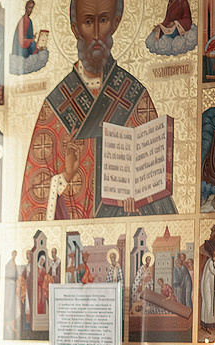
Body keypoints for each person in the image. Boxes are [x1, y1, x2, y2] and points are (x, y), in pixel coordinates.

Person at [19, 0, 177, 221]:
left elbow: (159, 198)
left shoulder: (135, 95)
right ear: (75, 28)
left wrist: (139, 203)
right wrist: (65, 177)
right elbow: (33, 202)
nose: (95, 34)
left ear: (115, 24)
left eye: (103, 21)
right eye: (87, 22)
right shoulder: (55, 105)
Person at [201, 240, 215, 333]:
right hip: (207, 288)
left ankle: (210, 324)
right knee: (208, 305)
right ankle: (207, 325)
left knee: (210, 306)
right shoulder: (210, 262)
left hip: (211, 287)